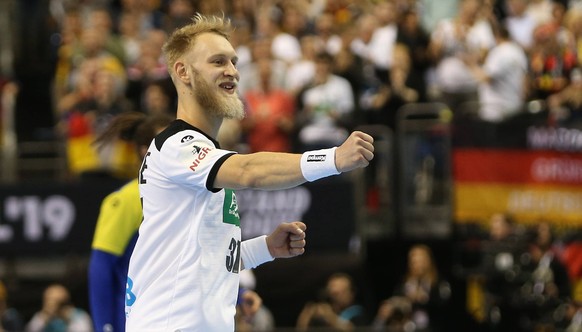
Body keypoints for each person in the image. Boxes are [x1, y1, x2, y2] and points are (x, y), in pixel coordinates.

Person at [124, 13, 374, 332]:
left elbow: (210, 257)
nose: (232, 71)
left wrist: (265, 248)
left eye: (233, 61)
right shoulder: (177, 144)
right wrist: (334, 158)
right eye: (218, 61)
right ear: (183, 72)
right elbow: (249, 171)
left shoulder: (202, 158)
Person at [88, 112, 175, 332]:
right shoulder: (127, 199)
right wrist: (104, 326)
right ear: (145, 150)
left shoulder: (190, 196)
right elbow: (101, 267)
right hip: (136, 320)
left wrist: (239, 295)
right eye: (167, 141)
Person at [372, 244, 451, 332]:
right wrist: (392, 307)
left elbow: (445, 308)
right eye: (413, 261)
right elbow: (398, 301)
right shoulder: (404, 284)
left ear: (428, 261)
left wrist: (423, 299)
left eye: (420, 260)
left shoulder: (438, 284)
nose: (416, 264)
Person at [296, 272, 371, 331]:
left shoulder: (357, 313)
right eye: (333, 293)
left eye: (340, 293)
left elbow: (350, 329)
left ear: (351, 293)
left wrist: (328, 315)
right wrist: (307, 314)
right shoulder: (324, 312)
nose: (335, 298)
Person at [25, 283, 93, 332]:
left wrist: (68, 319)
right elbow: (30, 329)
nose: (51, 305)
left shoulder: (79, 315)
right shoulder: (41, 316)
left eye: (57, 302)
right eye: (48, 300)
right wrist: (44, 318)